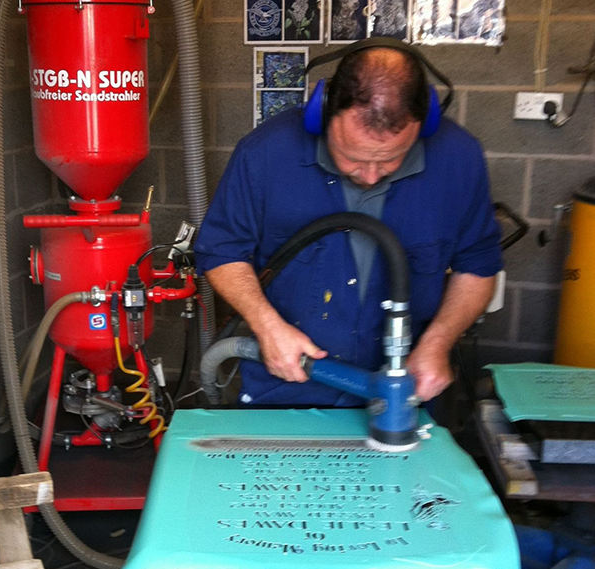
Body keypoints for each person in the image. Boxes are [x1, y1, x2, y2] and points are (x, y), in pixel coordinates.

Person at [193, 40, 502, 408]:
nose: (370, 176)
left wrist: (439, 341)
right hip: (287, 385)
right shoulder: (265, 154)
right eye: (352, 158)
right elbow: (221, 250)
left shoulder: (459, 159)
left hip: (406, 393)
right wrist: (266, 325)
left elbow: (478, 266)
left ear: (425, 124)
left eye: (390, 160)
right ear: (322, 114)